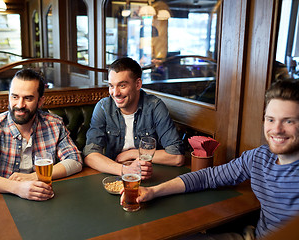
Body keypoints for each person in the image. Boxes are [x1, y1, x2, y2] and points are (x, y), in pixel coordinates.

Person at [121, 80, 299, 239]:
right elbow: (208, 177)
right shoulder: (260, 157)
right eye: (270, 119)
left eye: (288, 121)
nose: (276, 129)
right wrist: (153, 191)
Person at [0, 69, 83, 239]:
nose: (20, 104)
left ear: (40, 101)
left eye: (28, 98)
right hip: (3, 195)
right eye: (14, 97)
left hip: (45, 194)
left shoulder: (54, 124)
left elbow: (75, 160)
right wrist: (17, 187)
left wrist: (33, 177)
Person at [83, 57, 185, 179]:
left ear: (138, 84)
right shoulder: (104, 107)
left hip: (151, 175)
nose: (115, 93)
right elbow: (90, 155)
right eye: (111, 86)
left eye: (122, 86)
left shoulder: (154, 106)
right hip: (113, 174)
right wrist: (125, 170)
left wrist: (132, 154)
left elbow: (177, 156)